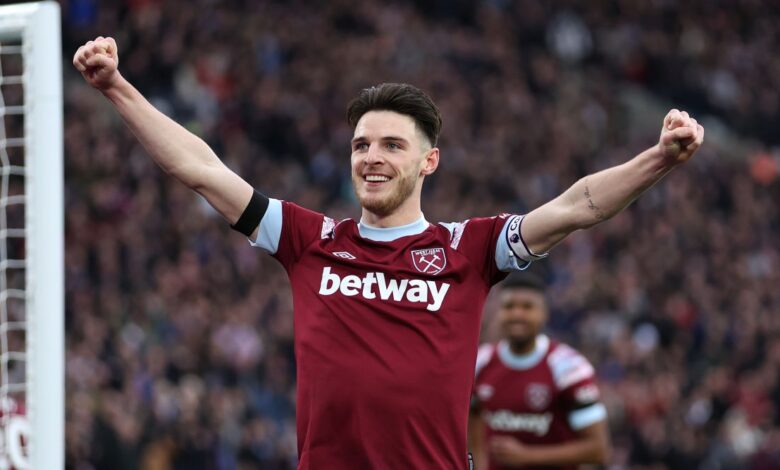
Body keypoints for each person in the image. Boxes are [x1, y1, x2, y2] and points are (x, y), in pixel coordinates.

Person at [72, 36, 704, 469]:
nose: (371, 156)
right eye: (361, 144)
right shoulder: (308, 240)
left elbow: (578, 207)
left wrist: (659, 157)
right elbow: (201, 169)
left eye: (392, 145)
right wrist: (117, 87)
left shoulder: (470, 248)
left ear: (428, 160)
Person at [468, 273, 610, 470]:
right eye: (509, 307)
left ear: (544, 313)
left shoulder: (569, 368)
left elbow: (598, 450)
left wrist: (526, 456)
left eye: (527, 307)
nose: (517, 314)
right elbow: (472, 426)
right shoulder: (480, 363)